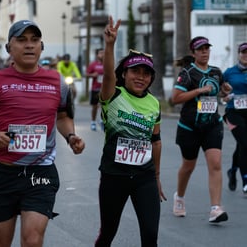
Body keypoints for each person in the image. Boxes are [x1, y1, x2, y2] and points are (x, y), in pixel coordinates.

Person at [0, 20, 85, 247]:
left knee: (33, 240)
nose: (29, 45)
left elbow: (64, 117)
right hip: (4, 174)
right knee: (0, 242)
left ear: (41, 46)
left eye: (34, 40)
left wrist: (70, 136)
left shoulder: (57, 82)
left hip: (41, 172)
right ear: (9, 48)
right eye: (22, 40)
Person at [94, 16, 166, 247]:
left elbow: (156, 141)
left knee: (150, 235)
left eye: (146, 73)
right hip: (114, 176)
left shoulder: (154, 104)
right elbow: (107, 76)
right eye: (135, 71)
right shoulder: (113, 95)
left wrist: (156, 178)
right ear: (124, 74)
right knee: (108, 233)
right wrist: (109, 45)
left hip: (144, 178)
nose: (141, 77)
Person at [171, 36, 231, 223]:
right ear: (193, 53)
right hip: (189, 127)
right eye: (200, 49)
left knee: (215, 164)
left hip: (212, 124)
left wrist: (225, 91)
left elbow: (218, 92)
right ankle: (179, 197)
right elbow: (176, 98)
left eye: (207, 48)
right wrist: (198, 91)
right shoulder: (187, 73)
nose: (205, 51)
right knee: (188, 166)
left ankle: (215, 208)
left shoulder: (216, 72)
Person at [222, 42, 247, 194]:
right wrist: (224, 97)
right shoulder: (230, 72)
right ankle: (245, 180)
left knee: (242, 145)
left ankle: (232, 170)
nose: (245, 55)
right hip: (233, 113)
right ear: (238, 54)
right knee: (245, 144)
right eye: (243, 52)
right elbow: (220, 89)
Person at [86, 48, 105, 131]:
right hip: (95, 88)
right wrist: (93, 75)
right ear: (97, 55)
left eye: (103, 53)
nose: (102, 54)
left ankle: (102, 121)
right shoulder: (93, 64)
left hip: (105, 88)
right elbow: (87, 74)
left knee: (104, 106)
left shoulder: (107, 64)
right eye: (100, 53)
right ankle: (93, 122)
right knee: (95, 106)